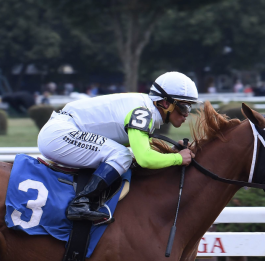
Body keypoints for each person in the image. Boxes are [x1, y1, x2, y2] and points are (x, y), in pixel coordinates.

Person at [37, 71, 198, 223]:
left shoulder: (145, 108)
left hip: (62, 130)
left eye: (190, 107)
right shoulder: (143, 112)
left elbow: (143, 150)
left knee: (123, 156)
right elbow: (145, 158)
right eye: (184, 107)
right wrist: (178, 158)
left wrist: (172, 151)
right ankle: (80, 204)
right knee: (121, 155)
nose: (186, 114)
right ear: (165, 103)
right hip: (59, 134)